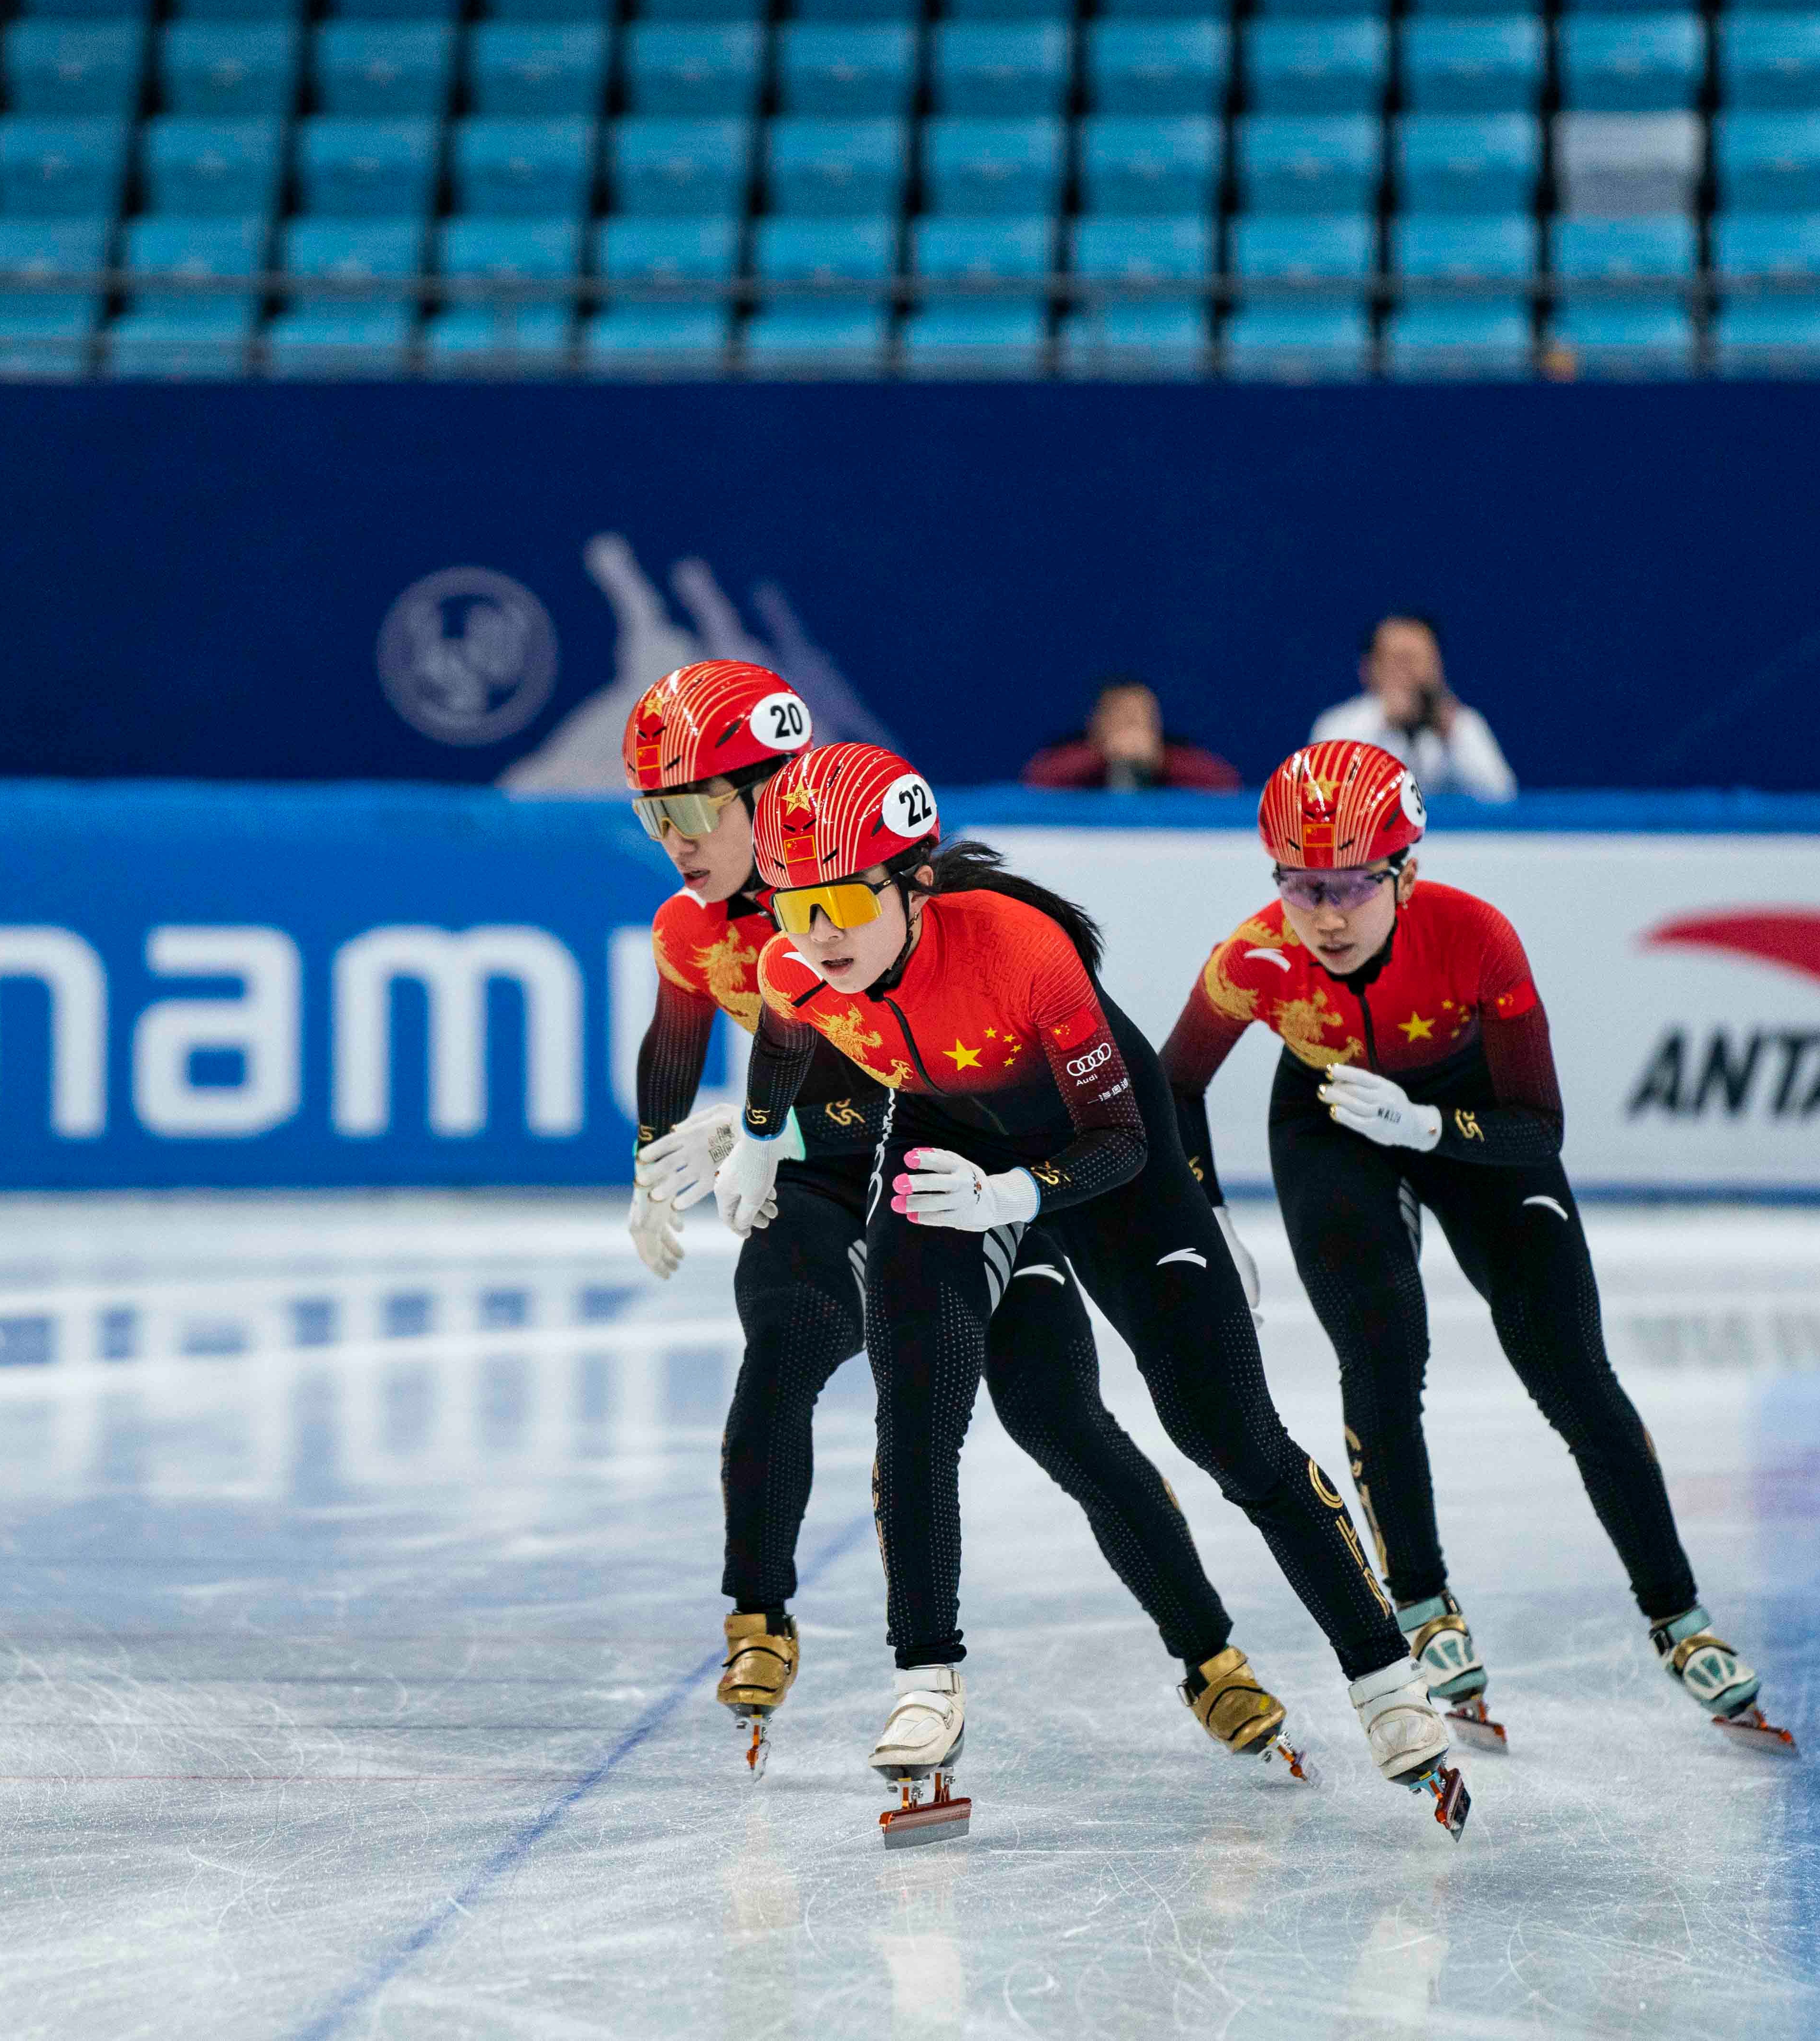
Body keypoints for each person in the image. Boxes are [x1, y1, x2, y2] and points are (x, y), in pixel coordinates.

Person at [710, 742, 1468, 1834]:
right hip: (945, 1148)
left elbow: (1114, 1139)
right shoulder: (795, 964)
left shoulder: (1021, 949)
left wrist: (1017, 1192)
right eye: (791, 905)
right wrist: (752, 1145)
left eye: (840, 900)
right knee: (915, 1400)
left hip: (1112, 1164)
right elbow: (784, 1039)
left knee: (1226, 1433)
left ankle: (1383, 1680)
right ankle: (924, 1679)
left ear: (912, 883)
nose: (817, 933)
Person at [622, 660, 1307, 1782]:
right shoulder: (692, 933)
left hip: (943, 1166)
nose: (674, 840)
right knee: (788, 1347)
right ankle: (761, 1617)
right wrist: (656, 1165)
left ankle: (1208, 1652)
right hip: (827, 1187)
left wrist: (766, 1137)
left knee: (1055, 1417)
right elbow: (673, 1054)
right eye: (654, 815)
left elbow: (962, 1082)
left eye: (693, 809)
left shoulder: (893, 897)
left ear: (767, 790)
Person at [1158, 741, 1789, 1753]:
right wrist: (1206, 1215)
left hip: (1471, 1116)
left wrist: (1432, 1131)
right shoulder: (1253, 960)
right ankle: (1422, 1604)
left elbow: (1539, 1124)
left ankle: (1678, 1615)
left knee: (1571, 1370)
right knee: (1381, 1353)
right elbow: (1173, 1083)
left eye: (1353, 885)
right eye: (1300, 884)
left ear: (1404, 873)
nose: (1324, 913)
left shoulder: (1476, 936)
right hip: (1328, 1116)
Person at [1310, 613, 1517, 799]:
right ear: (1369, 669)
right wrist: (1384, 721)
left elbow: (1501, 796)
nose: (1409, 673)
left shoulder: (1462, 724)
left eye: (1419, 660)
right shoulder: (1337, 726)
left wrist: (1450, 734)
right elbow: (1322, 798)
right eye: (1399, 660)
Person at [1020, 678, 1244, 792]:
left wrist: (1160, 761)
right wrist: (1101, 757)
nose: (1132, 728)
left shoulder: (1176, 758)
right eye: (1122, 717)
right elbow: (1035, 782)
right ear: (1097, 722)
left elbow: (1226, 784)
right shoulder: (1073, 757)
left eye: (1141, 716)